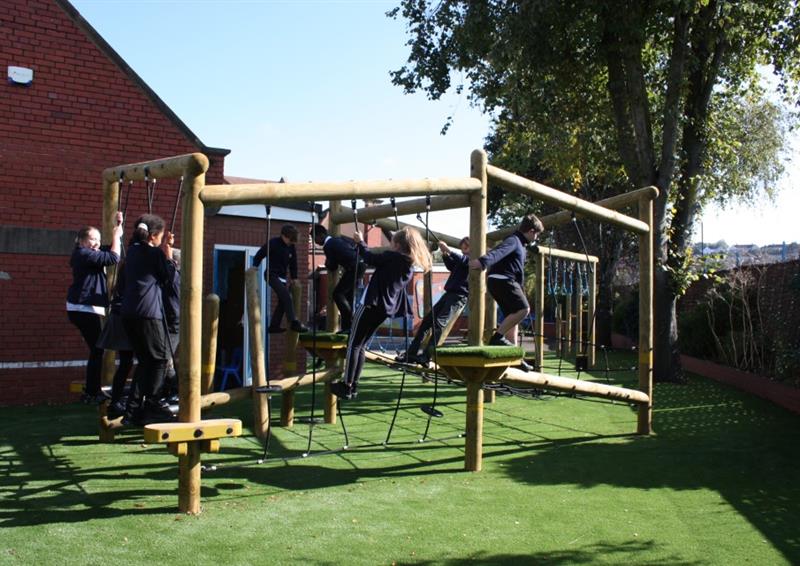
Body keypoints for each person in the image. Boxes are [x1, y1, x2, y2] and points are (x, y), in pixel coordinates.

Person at [330, 227, 432, 400]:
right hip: (384, 309)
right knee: (361, 346)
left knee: (353, 343)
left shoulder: (394, 257)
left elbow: (369, 258)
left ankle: (346, 385)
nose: (390, 246)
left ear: (398, 245)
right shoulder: (409, 264)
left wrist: (360, 241)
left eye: (392, 243)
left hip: (370, 304)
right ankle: (353, 385)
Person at [120, 214, 176, 425]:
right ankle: (153, 403)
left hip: (129, 313)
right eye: (160, 237)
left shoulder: (132, 251)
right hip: (148, 314)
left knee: (145, 362)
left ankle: (131, 412)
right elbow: (168, 279)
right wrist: (168, 253)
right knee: (160, 359)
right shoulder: (153, 254)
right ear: (153, 236)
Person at [469, 214, 544, 371]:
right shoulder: (514, 240)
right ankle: (497, 338)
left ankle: (515, 359)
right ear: (531, 231)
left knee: (513, 320)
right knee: (524, 309)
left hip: (501, 281)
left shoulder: (521, 245)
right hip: (502, 280)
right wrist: (483, 262)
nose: (536, 237)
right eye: (536, 234)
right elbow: (499, 251)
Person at [66, 211, 123, 404]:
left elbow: (109, 250)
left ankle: (92, 391)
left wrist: (117, 226)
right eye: (92, 239)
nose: (97, 243)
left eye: (98, 240)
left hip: (82, 308)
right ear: (82, 241)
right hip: (82, 308)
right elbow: (113, 258)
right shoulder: (83, 254)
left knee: (97, 349)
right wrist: (116, 237)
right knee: (98, 349)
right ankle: (91, 392)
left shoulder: (88, 253)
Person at [397, 236, 470, 365]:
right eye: (462, 248)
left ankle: (426, 356)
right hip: (449, 294)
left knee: (439, 324)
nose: (463, 251)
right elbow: (452, 266)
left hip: (459, 296)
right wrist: (445, 254)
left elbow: (464, 261)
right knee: (427, 322)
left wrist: (449, 250)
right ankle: (412, 354)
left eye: (466, 248)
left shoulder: (475, 259)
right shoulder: (463, 260)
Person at [253, 224, 308, 333]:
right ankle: (294, 322)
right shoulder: (273, 243)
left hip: (282, 277)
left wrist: (294, 277)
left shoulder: (291, 247)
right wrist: (255, 265)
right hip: (271, 275)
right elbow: (260, 254)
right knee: (287, 297)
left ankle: (274, 326)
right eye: (289, 239)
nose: (290, 242)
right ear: (283, 235)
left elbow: (293, 263)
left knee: (283, 302)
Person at [311, 223, 364, 333]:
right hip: (359, 264)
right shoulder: (338, 239)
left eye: (314, 238)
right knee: (347, 296)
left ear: (321, 235)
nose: (315, 241)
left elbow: (333, 266)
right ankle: (347, 327)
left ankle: (350, 323)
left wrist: (327, 263)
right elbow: (352, 244)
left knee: (337, 294)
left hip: (354, 267)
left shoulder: (327, 245)